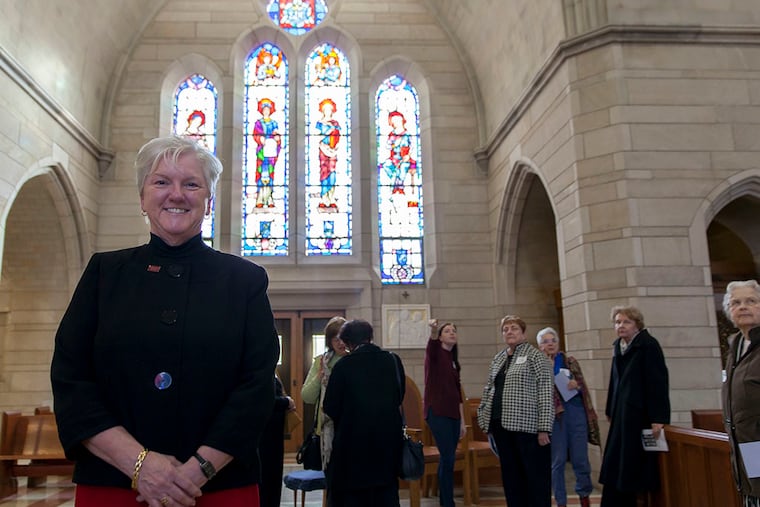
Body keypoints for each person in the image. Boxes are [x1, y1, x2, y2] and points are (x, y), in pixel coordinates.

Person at [50, 135, 280, 507]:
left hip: (218, 486)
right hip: (114, 484)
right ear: (142, 198)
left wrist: (197, 471)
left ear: (208, 200)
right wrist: (141, 466)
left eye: (191, 183)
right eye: (161, 182)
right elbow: (71, 378)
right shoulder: (104, 274)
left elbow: (256, 387)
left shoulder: (245, 280)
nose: (177, 194)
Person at [323, 319, 404, 507]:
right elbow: (399, 396)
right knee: (385, 496)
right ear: (370, 337)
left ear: (348, 342)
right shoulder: (392, 360)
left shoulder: (343, 366)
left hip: (352, 450)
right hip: (387, 445)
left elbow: (330, 407)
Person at [477, 315, 554, 507]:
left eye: (514, 328)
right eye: (505, 329)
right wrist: (483, 417)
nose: (509, 332)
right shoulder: (499, 358)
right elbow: (488, 389)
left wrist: (544, 427)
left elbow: (545, 391)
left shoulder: (535, 356)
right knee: (511, 477)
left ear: (523, 333)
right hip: (501, 425)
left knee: (534, 477)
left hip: (527, 427)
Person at [599, 305, 670, 507]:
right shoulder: (618, 346)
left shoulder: (648, 345)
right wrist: (609, 409)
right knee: (615, 465)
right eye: (617, 322)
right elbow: (614, 381)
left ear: (637, 324)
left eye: (626, 322)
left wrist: (659, 417)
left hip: (639, 415)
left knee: (633, 467)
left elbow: (658, 382)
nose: (621, 326)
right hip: (620, 414)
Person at [536, 327, 599, 507]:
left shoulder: (569, 361)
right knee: (558, 461)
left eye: (553, 341)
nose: (550, 344)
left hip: (575, 410)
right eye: (546, 342)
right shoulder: (537, 364)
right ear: (540, 345)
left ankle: (584, 496)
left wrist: (575, 384)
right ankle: (561, 501)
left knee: (580, 459)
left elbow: (582, 385)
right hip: (554, 416)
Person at [722, 280, 760, 507]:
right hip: (747, 444)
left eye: (751, 301)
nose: (743, 307)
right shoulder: (736, 345)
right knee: (754, 492)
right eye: (736, 303)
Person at [424, 319, 465, 507]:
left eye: (454, 331)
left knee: (449, 458)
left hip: (453, 414)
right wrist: (433, 330)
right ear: (440, 336)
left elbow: (458, 395)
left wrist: (463, 421)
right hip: (437, 412)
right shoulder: (435, 354)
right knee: (447, 456)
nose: (452, 333)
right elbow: (431, 345)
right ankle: (447, 503)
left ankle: (446, 500)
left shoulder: (453, 361)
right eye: (447, 331)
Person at [301, 316, 348, 469]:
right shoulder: (322, 362)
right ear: (329, 341)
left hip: (349, 425)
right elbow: (306, 396)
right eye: (336, 339)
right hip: (326, 427)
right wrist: (319, 376)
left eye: (343, 338)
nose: (340, 343)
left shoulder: (355, 360)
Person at [259, 374, 295, 507]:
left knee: (272, 479)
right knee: (268, 480)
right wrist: (286, 402)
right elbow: (265, 399)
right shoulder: (261, 372)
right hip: (265, 437)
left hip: (273, 435)